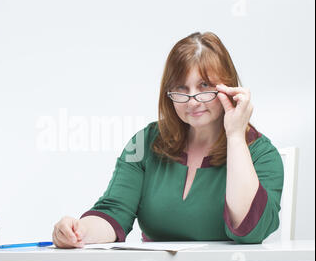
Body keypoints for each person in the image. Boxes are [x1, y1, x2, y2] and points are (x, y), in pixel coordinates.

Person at [52, 31, 284, 248]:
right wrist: (79, 231)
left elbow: (251, 230)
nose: (192, 101)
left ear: (228, 88)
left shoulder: (261, 154)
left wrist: (235, 136)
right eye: (181, 89)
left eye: (204, 86)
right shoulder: (144, 142)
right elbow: (114, 212)